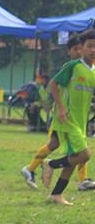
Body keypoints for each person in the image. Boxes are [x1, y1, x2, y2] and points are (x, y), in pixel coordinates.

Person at [21, 35, 95, 191]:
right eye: (77, 49)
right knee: (76, 149)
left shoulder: (89, 69)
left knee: (69, 148)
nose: (80, 52)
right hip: (64, 116)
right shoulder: (71, 66)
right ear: (70, 51)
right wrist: (61, 107)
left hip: (76, 116)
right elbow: (57, 85)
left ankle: (54, 186)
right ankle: (40, 167)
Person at [40, 29, 95, 204]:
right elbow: (53, 83)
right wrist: (61, 107)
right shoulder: (73, 66)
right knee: (84, 155)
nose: (93, 49)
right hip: (67, 119)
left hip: (80, 121)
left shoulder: (93, 70)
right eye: (89, 46)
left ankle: (56, 194)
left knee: (72, 160)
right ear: (82, 47)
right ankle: (51, 164)